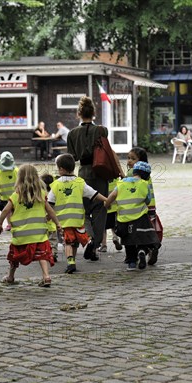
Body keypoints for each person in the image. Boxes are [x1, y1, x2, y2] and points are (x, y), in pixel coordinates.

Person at [0, 164, 61, 287]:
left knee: (14, 256)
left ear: (19, 179)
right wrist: (58, 223)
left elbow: (5, 211)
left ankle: (11, 276)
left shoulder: (15, 196)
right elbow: (50, 210)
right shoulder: (41, 194)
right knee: (42, 254)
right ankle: (46, 276)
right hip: (38, 233)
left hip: (21, 234)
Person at [67, 96, 111, 262]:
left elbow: (72, 158)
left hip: (83, 173)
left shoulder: (72, 134)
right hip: (100, 173)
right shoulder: (101, 130)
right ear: (93, 113)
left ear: (79, 113)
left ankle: (90, 238)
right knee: (100, 208)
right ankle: (97, 242)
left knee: (83, 211)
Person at [48, 154, 107, 274]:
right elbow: (94, 194)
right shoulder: (80, 182)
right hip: (78, 219)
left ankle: (70, 262)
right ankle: (88, 242)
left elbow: (49, 204)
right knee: (75, 241)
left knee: (68, 242)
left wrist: (46, 216)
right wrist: (106, 199)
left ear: (61, 169)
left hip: (64, 221)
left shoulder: (56, 185)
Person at [105, 161, 160, 271]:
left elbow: (112, 196)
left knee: (128, 241)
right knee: (142, 238)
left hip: (123, 219)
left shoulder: (121, 184)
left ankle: (131, 263)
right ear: (146, 176)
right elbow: (148, 201)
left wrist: (106, 205)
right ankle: (142, 251)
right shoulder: (144, 185)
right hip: (140, 218)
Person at [126, 147, 160, 265]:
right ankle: (151, 248)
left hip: (137, 206)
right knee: (148, 230)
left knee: (136, 232)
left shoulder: (132, 173)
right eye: (128, 158)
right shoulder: (147, 173)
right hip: (150, 206)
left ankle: (140, 251)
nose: (129, 161)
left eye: (133, 159)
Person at [0, 151, 18, 231]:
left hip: (4, 197)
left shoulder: (0, 172)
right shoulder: (16, 170)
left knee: (7, 212)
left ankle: (9, 224)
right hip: (15, 196)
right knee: (14, 210)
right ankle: (15, 223)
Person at [41, 172, 62, 262]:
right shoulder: (54, 194)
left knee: (44, 240)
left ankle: (45, 253)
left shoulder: (41, 194)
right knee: (53, 240)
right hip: (52, 223)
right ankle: (53, 253)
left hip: (43, 223)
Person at [99, 176, 122, 253]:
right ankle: (115, 237)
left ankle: (104, 245)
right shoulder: (113, 173)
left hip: (104, 203)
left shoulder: (101, 174)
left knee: (103, 226)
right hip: (114, 204)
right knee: (113, 224)